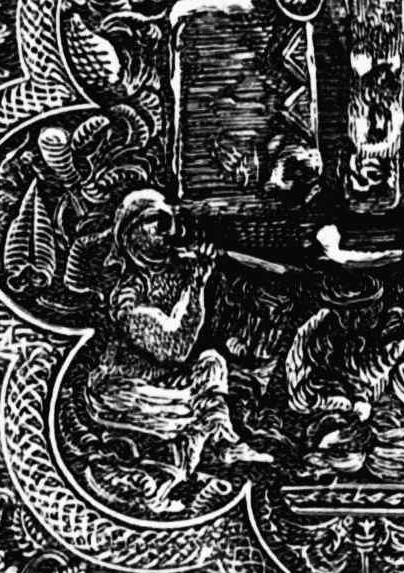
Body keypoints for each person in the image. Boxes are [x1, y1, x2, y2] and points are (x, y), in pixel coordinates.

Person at [80, 188, 274, 497]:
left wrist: (203, 271)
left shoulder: (175, 271)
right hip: (124, 389)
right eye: (157, 221)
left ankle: (223, 442)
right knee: (190, 410)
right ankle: (169, 479)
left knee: (212, 364)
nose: (169, 230)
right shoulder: (127, 297)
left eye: (171, 219)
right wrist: (197, 282)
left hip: (165, 381)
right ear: (130, 236)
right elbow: (174, 347)